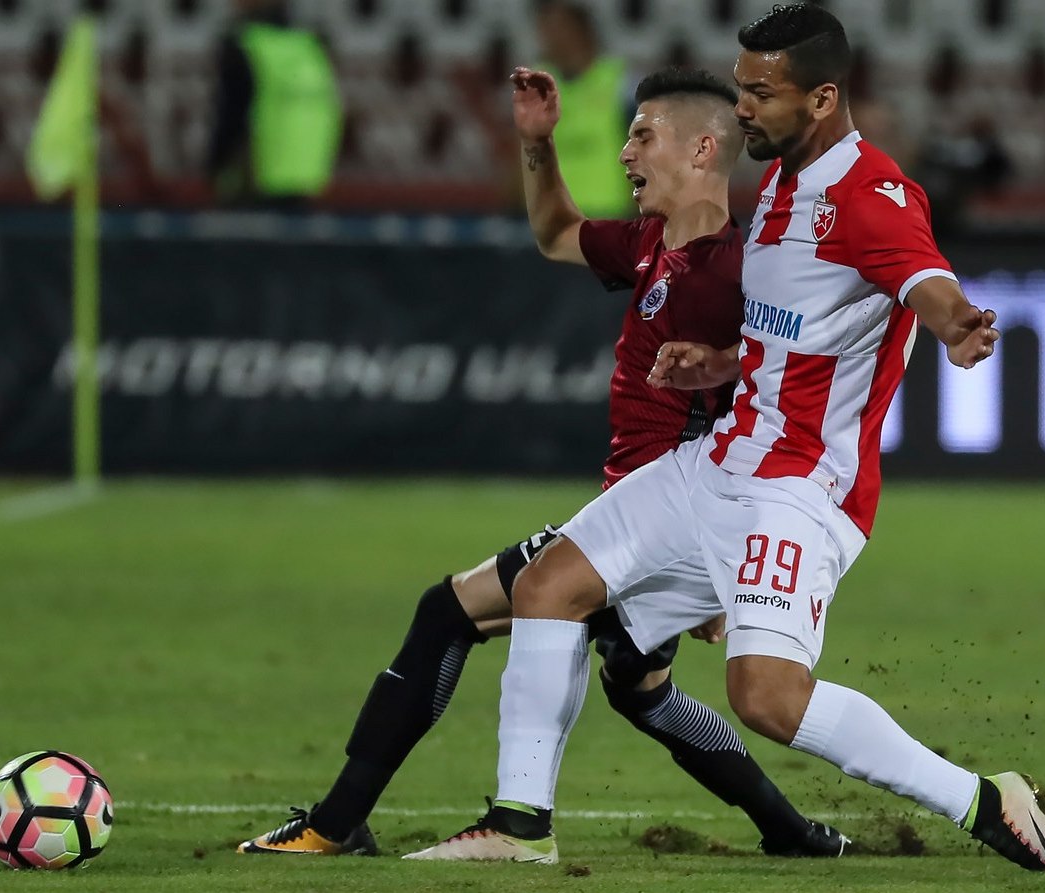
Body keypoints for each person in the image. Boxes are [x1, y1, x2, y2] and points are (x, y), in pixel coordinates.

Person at [415, 4, 1045, 875]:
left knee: (766, 697)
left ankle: (984, 800)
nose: (741, 108)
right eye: (739, 87)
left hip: (798, 487)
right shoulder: (779, 186)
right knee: (550, 584)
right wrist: (721, 362)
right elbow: (800, 329)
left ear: (822, 99)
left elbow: (924, 278)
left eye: (760, 94)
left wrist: (957, 323)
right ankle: (519, 824)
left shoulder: (870, 195)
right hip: (722, 458)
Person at [236, 65, 847, 862]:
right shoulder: (651, 245)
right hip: (636, 516)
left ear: (703, 148)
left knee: (450, 611)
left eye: (642, 135)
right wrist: (537, 145)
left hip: (667, 522)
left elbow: (777, 397)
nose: (626, 152)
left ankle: (345, 820)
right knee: (638, 686)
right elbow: (558, 232)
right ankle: (792, 833)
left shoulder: (734, 272)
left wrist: (717, 565)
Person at [206, 0, 342, 207]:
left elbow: (232, 116)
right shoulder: (309, 46)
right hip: (305, 182)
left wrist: (214, 167)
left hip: (253, 185)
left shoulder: (246, 44)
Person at [532, 1, 636, 218]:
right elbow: (524, 148)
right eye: (544, 28)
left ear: (581, 32)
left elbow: (643, 147)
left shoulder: (619, 81)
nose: (547, 36)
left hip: (609, 213)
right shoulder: (537, 83)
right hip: (555, 214)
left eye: (556, 28)